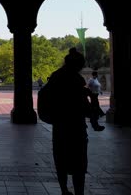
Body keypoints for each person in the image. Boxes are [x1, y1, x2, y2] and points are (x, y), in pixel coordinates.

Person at [48, 48, 96, 195]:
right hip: (76, 126)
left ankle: (64, 190)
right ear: (78, 65)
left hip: (59, 125)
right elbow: (84, 105)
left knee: (60, 159)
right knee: (79, 162)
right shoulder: (77, 79)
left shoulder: (55, 76)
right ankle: (79, 192)